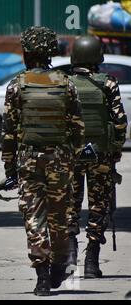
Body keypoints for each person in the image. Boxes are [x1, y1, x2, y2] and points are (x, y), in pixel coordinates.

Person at [1, 27, 85, 296]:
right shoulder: (66, 83)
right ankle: (59, 265)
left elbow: (9, 132)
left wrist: (9, 167)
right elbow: (77, 129)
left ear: (27, 52)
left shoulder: (17, 85)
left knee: (34, 219)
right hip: (60, 162)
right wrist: (71, 158)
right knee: (60, 217)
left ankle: (42, 276)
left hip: (28, 162)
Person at [68, 36, 128, 278]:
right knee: (98, 207)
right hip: (101, 155)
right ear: (97, 58)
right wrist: (114, 150)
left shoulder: (66, 84)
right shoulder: (108, 84)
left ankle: (70, 255)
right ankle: (91, 262)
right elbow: (120, 123)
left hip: (72, 156)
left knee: (70, 206)